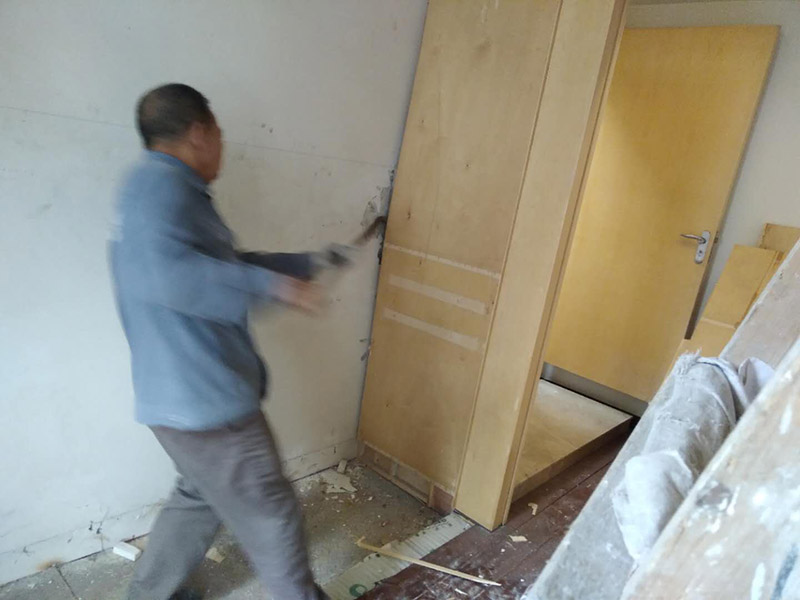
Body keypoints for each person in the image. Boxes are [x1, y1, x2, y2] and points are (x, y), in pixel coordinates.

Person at [111, 83, 330, 600]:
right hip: (208, 404)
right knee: (270, 511)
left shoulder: (146, 188)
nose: (222, 147)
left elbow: (210, 265)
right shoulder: (165, 190)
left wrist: (301, 265)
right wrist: (274, 287)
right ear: (198, 133)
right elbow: (169, 275)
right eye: (219, 134)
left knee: (199, 493)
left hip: (172, 402)